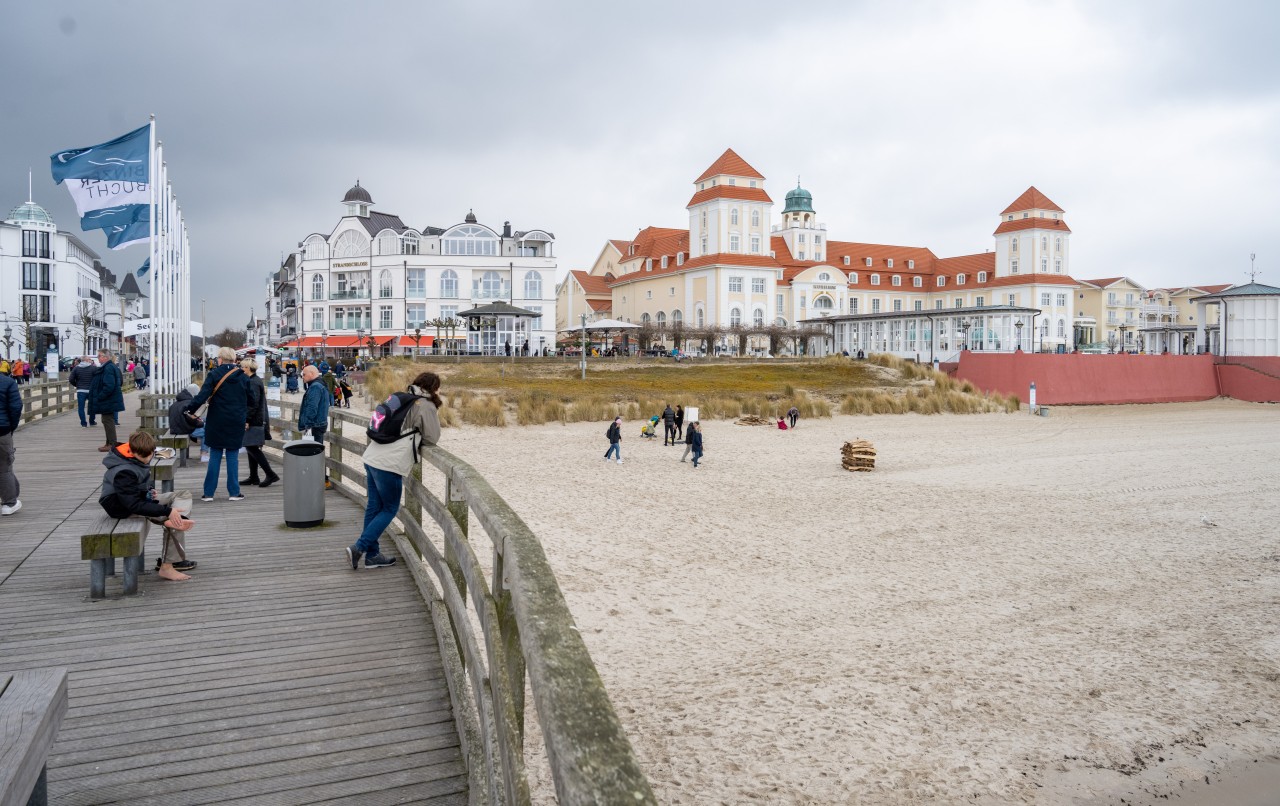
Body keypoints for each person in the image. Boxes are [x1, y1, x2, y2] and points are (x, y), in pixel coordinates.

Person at [346, 371, 443, 570]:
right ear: (434, 388)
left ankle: (372, 556)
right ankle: (359, 547)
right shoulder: (425, 405)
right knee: (390, 508)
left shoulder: (401, 397)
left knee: (374, 507)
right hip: (388, 464)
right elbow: (432, 437)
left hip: (372, 456)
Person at [99, 431, 196, 581]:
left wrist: (148, 492)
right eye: (143, 457)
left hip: (136, 498)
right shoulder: (123, 471)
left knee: (183, 495)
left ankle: (179, 519)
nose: (147, 460)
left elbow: (135, 487)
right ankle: (167, 567)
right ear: (132, 451)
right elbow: (132, 504)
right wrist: (168, 511)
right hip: (121, 507)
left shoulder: (134, 456)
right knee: (174, 521)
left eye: (149, 456)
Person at [188, 346, 250, 502]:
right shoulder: (243, 377)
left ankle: (208, 493)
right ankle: (234, 492)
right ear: (234, 359)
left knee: (215, 455)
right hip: (236, 420)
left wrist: (190, 409)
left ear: (220, 359)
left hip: (216, 420)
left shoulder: (214, 374)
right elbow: (253, 400)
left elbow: (202, 396)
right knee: (232, 456)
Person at [240, 358, 279, 488]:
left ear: (249, 368)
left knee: (251, 447)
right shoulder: (253, 381)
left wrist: (247, 420)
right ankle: (254, 476)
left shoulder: (253, 382)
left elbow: (253, 403)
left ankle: (270, 474)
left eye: (243, 367)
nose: (242, 369)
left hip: (255, 420)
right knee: (251, 446)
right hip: (256, 419)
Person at [298, 366, 332, 488]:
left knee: (315, 453)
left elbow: (312, 407)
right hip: (318, 423)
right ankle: (320, 479)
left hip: (315, 425)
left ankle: (321, 480)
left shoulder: (316, 387)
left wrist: (307, 424)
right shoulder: (319, 385)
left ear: (312, 374)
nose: (302, 377)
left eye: (304, 374)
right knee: (316, 452)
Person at [88, 349, 125, 452]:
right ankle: (109, 443)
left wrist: (100, 396)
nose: (98, 358)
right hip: (109, 399)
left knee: (108, 421)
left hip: (108, 399)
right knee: (107, 420)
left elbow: (109, 385)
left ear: (105, 357)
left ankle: (112, 444)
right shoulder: (109, 367)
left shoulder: (108, 368)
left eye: (99, 355)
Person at [0, 363, 22, 515]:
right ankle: (9, 503)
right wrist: (10, 427)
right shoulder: (7, 382)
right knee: (4, 467)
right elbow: (15, 407)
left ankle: (13, 494)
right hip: (2, 429)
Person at [69, 356, 97, 428]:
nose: (91, 360)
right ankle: (92, 421)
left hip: (81, 390)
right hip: (91, 390)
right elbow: (97, 378)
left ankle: (83, 423)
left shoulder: (76, 368)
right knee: (92, 406)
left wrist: (77, 385)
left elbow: (71, 379)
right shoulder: (93, 368)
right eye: (90, 359)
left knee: (81, 408)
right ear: (87, 360)